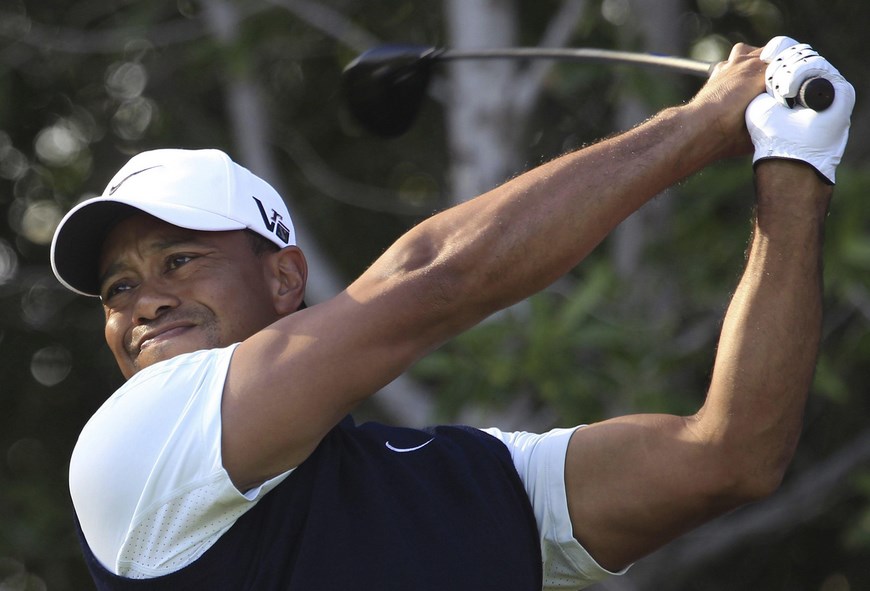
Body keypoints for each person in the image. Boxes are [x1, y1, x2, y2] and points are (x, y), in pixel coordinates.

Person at [49, 36, 853, 590]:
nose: (143, 301)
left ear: (285, 277)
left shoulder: (464, 480)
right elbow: (439, 277)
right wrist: (702, 121)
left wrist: (794, 163)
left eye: (179, 261)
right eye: (117, 289)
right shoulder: (130, 449)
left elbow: (731, 456)